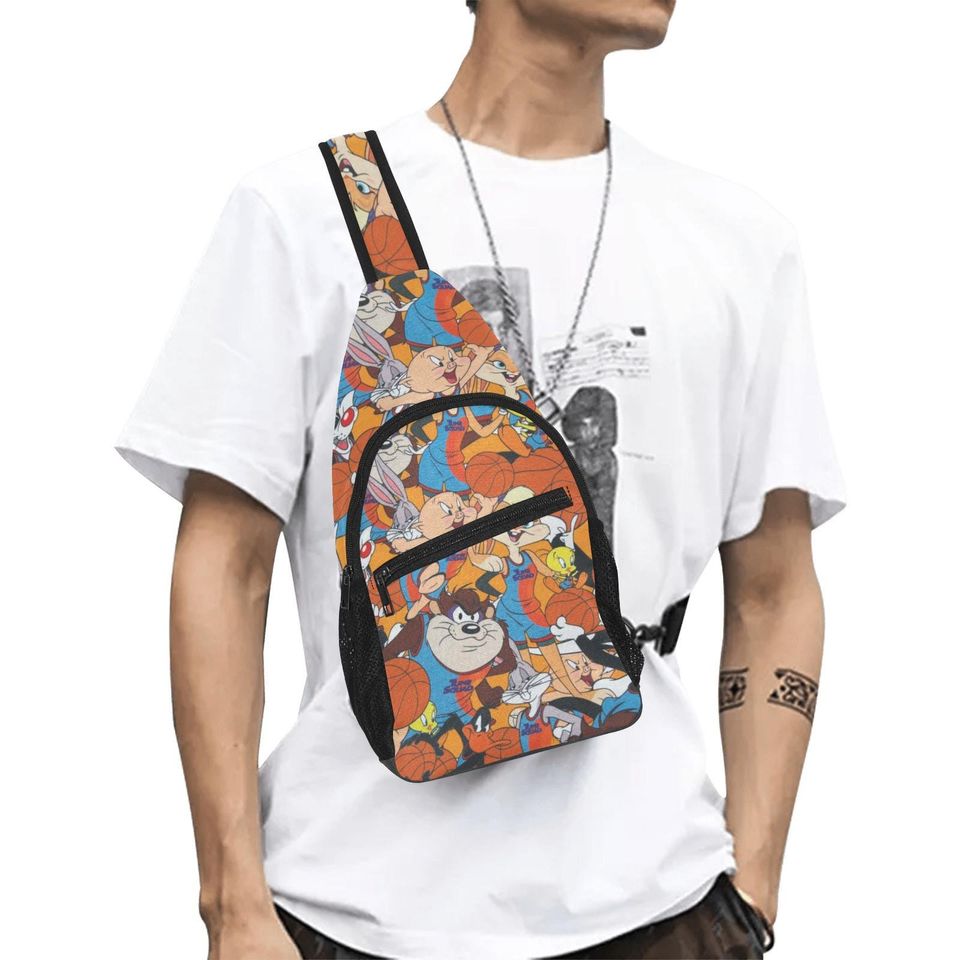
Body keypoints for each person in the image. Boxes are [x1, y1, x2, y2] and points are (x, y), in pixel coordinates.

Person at [116, 1, 846, 957]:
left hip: (661, 905)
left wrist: (754, 890)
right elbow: (224, 565)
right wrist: (232, 903)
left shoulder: (740, 241)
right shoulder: (309, 211)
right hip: (347, 909)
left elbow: (774, 589)